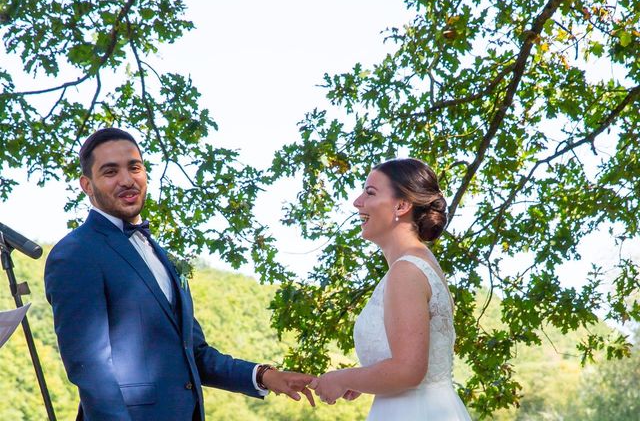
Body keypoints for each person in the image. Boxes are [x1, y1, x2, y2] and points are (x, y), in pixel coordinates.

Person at [45, 127, 314, 421]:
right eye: (110, 172)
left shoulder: (161, 255)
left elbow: (194, 353)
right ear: (87, 184)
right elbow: (90, 369)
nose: (126, 180)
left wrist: (264, 376)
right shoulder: (75, 253)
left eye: (134, 167)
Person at [310, 158, 471, 420]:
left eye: (370, 192)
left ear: (401, 205)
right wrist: (364, 380)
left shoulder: (406, 271)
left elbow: (408, 370)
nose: (357, 201)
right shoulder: (420, 264)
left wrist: (342, 378)